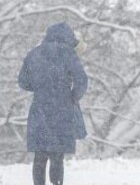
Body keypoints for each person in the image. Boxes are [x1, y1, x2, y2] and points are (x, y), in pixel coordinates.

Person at [19, 22, 88, 185]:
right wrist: (72, 97)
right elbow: (82, 81)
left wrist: (41, 88)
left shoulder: (34, 53)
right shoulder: (69, 53)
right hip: (62, 109)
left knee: (40, 155)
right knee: (57, 155)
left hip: (39, 108)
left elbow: (22, 81)